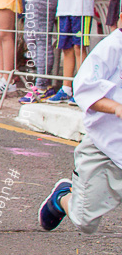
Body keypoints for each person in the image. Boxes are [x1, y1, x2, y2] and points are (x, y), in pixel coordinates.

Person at [38, 24, 122, 235]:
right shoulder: (113, 46)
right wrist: (117, 107)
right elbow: (84, 88)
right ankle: (62, 197)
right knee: (85, 221)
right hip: (106, 147)